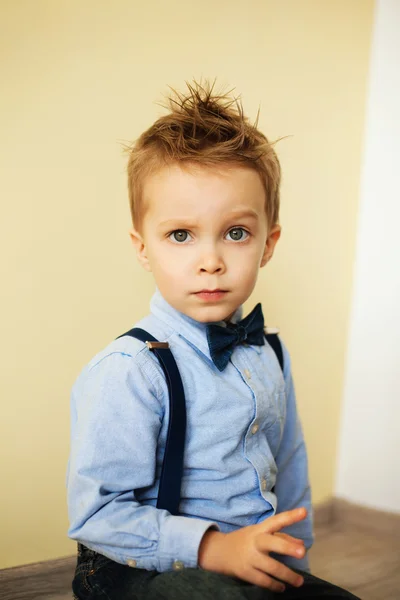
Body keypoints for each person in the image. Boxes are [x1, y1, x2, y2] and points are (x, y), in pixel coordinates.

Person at [67, 81, 360, 599]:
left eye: (236, 233)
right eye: (181, 235)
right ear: (143, 248)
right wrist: (211, 548)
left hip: (249, 557)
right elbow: (98, 514)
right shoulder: (131, 368)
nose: (210, 260)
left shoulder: (269, 351)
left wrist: (294, 564)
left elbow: (290, 468)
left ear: (268, 243)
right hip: (147, 568)